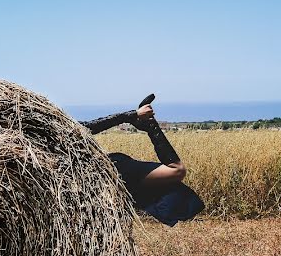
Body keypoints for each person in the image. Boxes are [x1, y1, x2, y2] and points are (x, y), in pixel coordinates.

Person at [80, 95, 204, 227]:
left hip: (107, 167)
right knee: (177, 170)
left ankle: (149, 124)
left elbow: (83, 128)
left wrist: (132, 115)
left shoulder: (55, 123)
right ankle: (150, 125)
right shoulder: (55, 123)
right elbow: (85, 128)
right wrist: (133, 114)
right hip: (107, 168)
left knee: (176, 172)